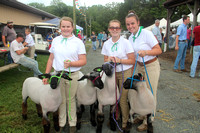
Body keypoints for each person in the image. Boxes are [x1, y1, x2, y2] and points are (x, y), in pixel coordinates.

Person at [42, 17, 86, 133]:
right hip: (58, 75)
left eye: (68, 26)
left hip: (72, 74)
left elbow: (83, 61)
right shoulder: (55, 40)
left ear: (72, 28)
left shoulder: (78, 42)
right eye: (63, 26)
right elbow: (51, 59)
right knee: (60, 99)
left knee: (70, 99)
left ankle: (72, 123)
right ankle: (61, 123)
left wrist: (72, 63)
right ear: (60, 27)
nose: (65, 29)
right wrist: (47, 75)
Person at [125, 10, 162, 132]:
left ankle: (148, 121)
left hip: (151, 66)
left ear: (138, 23)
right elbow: (132, 57)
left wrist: (146, 52)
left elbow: (158, 50)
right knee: (140, 93)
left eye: (132, 23)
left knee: (150, 93)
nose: (130, 26)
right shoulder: (130, 38)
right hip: (140, 66)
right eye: (128, 24)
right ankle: (141, 115)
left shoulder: (147, 34)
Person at [101, 20, 135, 132]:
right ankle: (116, 117)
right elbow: (105, 60)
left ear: (120, 29)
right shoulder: (106, 43)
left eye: (117, 27)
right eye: (112, 28)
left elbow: (132, 60)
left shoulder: (126, 42)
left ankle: (125, 122)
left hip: (125, 72)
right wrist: (109, 59)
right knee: (114, 97)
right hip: (112, 73)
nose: (114, 29)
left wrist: (120, 60)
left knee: (122, 99)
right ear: (109, 29)